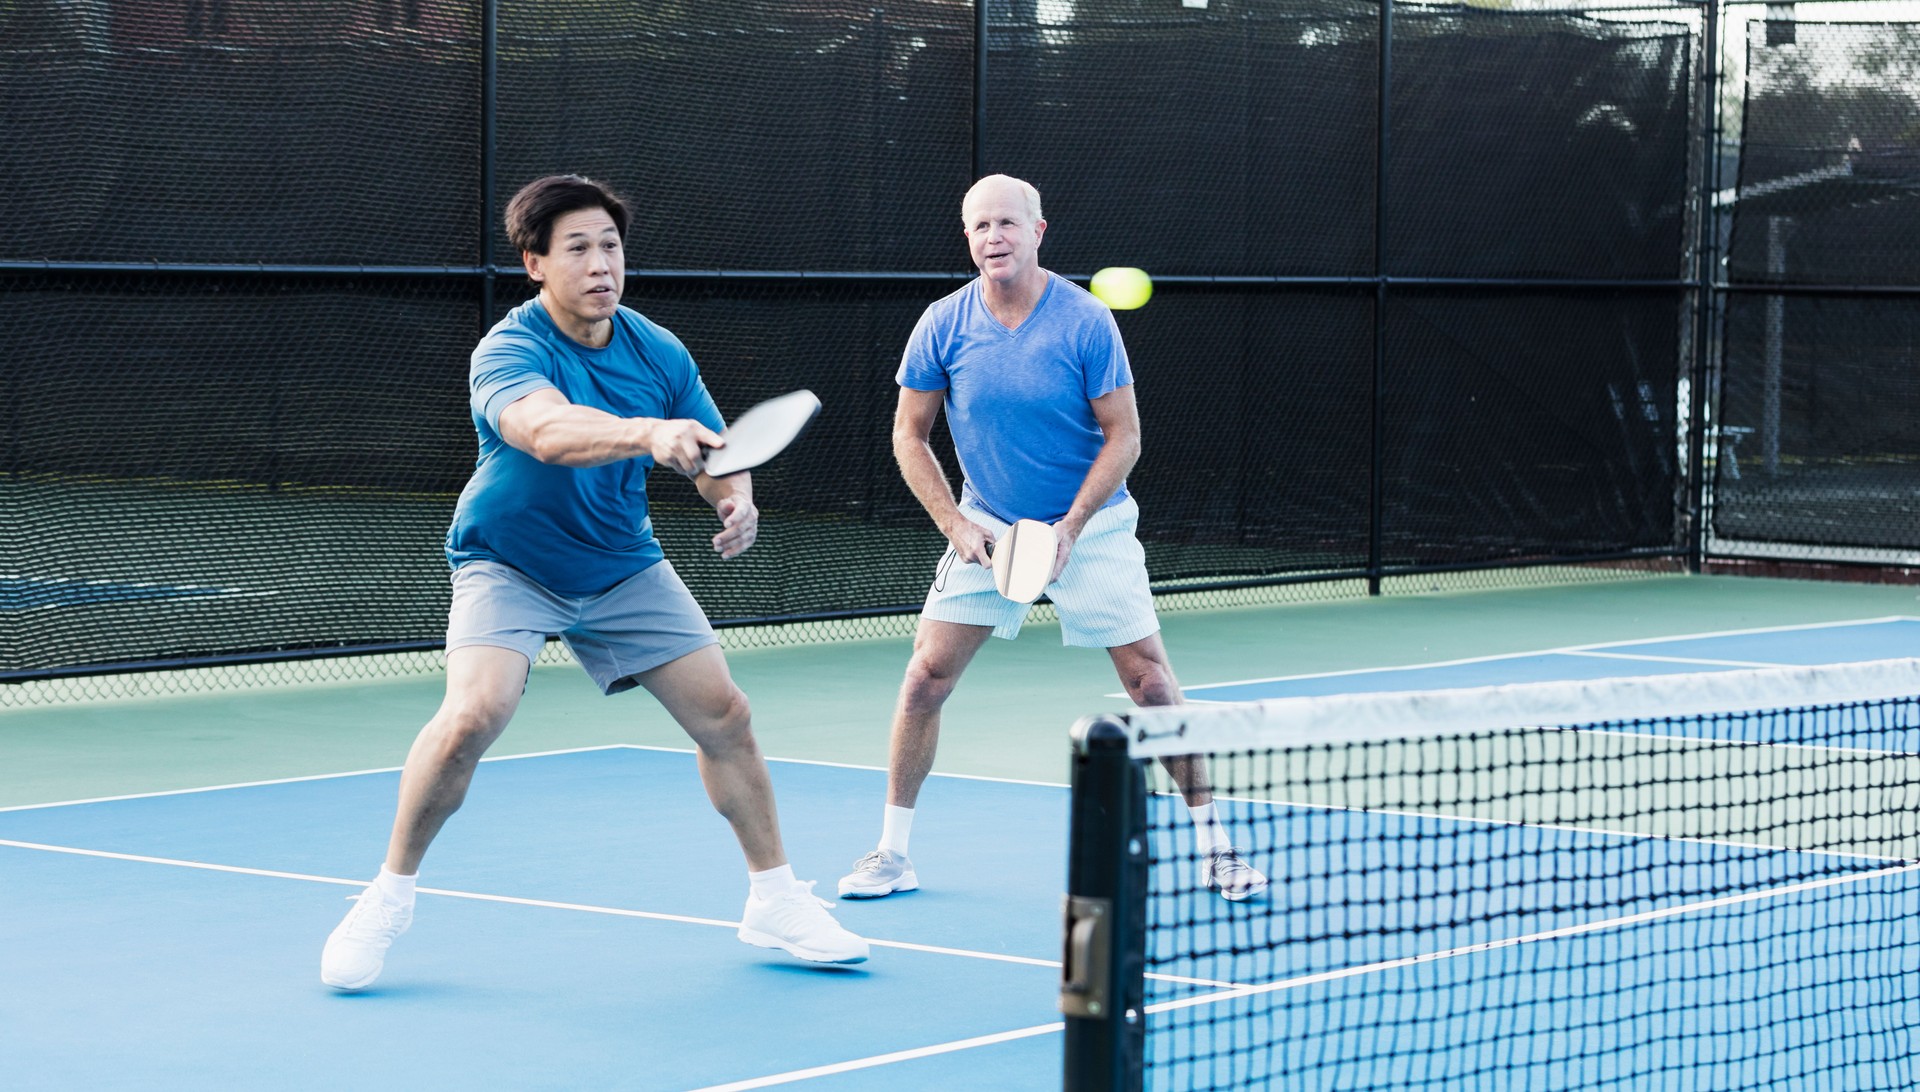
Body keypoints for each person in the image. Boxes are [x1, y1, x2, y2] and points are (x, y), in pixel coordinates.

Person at [320, 174, 868, 991]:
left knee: (726, 715)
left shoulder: (659, 350)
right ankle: (386, 899)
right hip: (510, 560)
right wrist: (648, 432)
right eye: (576, 248)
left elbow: (718, 456)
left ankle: (775, 898)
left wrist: (734, 501)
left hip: (620, 563)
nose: (600, 263)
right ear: (535, 263)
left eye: (610, 245)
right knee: (475, 713)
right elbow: (543, 431)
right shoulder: (510, 348)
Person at [837, 174, 1269, 903]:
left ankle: (1217, 848)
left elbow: (1124, 436)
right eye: (979, 227)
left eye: (1007, 223)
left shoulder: (1086, 321)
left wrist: (1070, 527)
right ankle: (892, 853)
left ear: (1038, 232)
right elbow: (909, 436)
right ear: (968, 238)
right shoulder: (942, 323)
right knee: (923, 680)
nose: (993, 238)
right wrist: (956, 524)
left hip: (1090, 526)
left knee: (1152, 684)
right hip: (988, 526)